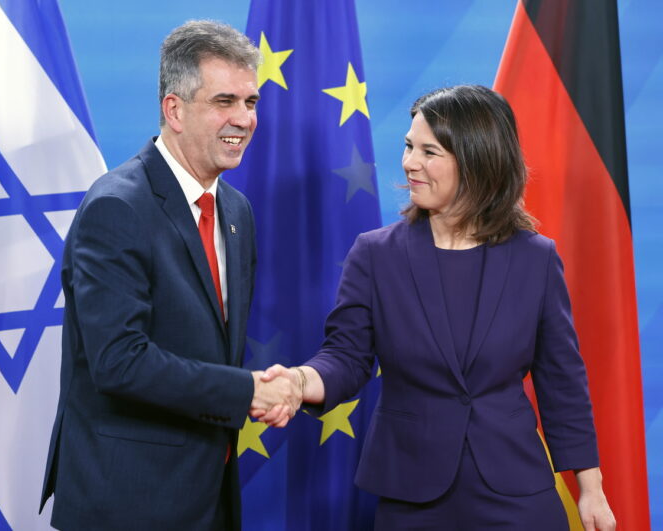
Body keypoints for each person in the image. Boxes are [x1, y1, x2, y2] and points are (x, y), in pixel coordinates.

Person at [260, 85, 616, 530]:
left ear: (476, 159)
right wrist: (297, 381)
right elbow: (346, 358)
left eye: (429, 151)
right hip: (412, 494)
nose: (409, 162)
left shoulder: (536, 258)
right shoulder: (375, 255)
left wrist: (591, 488)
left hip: (515, 492)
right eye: (409, 146)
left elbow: (561, 380)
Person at [39, 20, 300, 531]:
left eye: (251, 103)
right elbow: (118, 362)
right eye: (224, 101)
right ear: (174, 110)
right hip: (127, 500)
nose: (243, 119)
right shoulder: (117, 207)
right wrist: (247, 391)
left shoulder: (235, 211)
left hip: (208, 495)